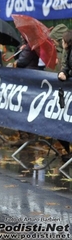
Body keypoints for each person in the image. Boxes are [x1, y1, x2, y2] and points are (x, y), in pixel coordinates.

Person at [57, 29, 72, 162]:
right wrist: (64, 73)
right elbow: (65, 66)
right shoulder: (67, 51)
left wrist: (68, 73)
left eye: (62, 40)